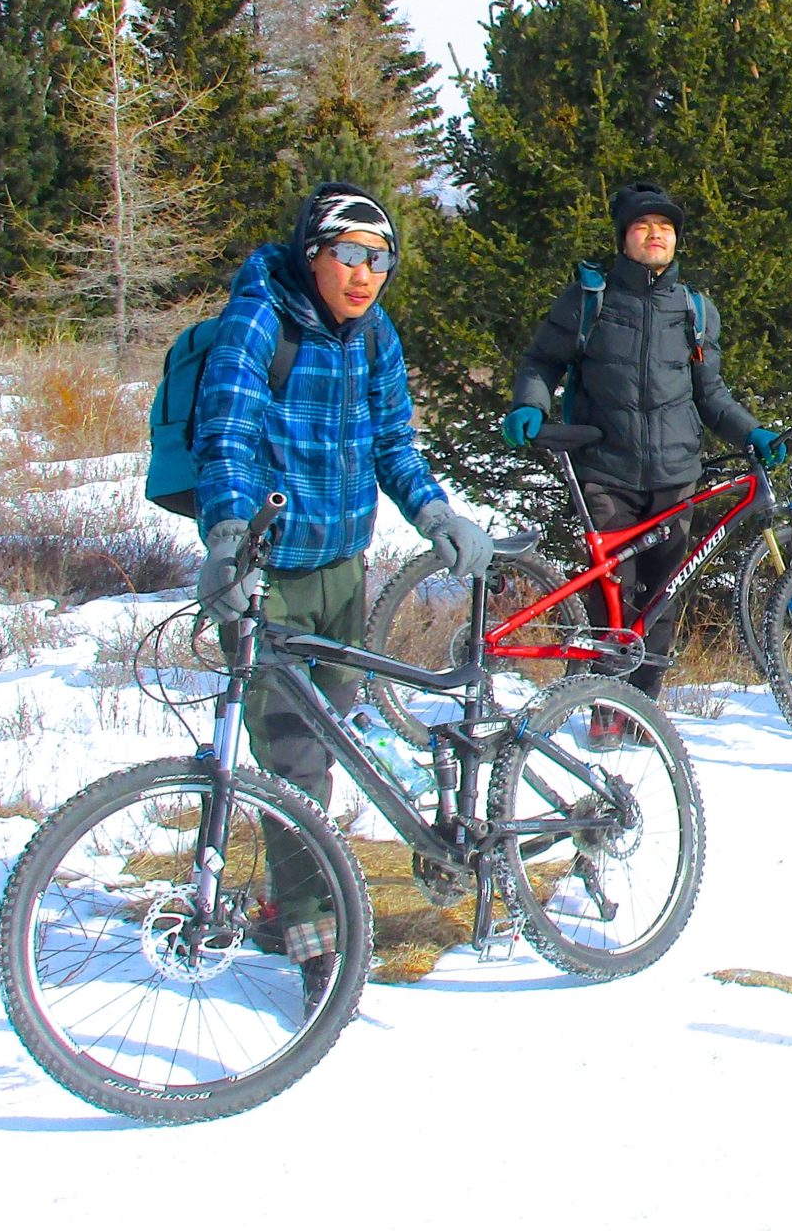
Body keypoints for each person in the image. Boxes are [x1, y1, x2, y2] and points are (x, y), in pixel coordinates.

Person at [193, 181, 494, 997]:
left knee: (336, 741)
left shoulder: (374, 335)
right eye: (350, 255)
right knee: (291, 758)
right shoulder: (261, 319)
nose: (366, 275)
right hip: (268, 578)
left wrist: (436, 513)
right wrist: (227, 540)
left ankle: (291, 893)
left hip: (343, 573)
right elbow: (227, 432)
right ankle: (316, 943)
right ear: (313, 252)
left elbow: (394, 440)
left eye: (380, 259)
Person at [500, 182, 779, 712]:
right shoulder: (592, 299)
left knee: (661, 603)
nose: (656, 235)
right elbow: (541, 361)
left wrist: (752, 432)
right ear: (624, 238)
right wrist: (530, 404)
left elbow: (711, 395)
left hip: (675, 478)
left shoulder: (695, 310)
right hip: (607, 473)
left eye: (666, 228)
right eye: (643, 226)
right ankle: (605, 712)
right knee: (613, 601)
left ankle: (641, 713)